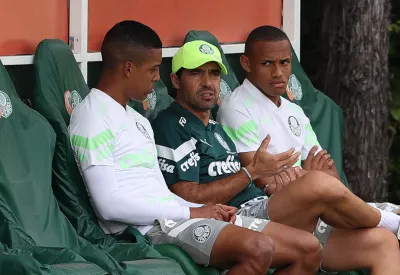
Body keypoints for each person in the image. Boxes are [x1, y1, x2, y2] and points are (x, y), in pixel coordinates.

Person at [152, 39, 400, 274]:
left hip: (264, 206)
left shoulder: (216, 129)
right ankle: (395, 224)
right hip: (235, 219)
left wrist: (271, 183)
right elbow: (186, 194)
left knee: (381, 243)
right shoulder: (170, 125)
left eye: (214, 74)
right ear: (175, 81)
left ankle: (392, 228)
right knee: (318, 184)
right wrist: (253, 172)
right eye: (196, 73)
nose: (207, 82)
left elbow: (268, 178)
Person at [68, 20, 325, 275]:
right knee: (259, 248)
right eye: (153, 69)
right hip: (145, 228)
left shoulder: (135, 119)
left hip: (174, 215)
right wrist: (190, 211)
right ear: (128, 68)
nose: (157, 77)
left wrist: (209, 210)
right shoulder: (93, 117)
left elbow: (156, 189)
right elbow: (109, 206)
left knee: (309, 248)